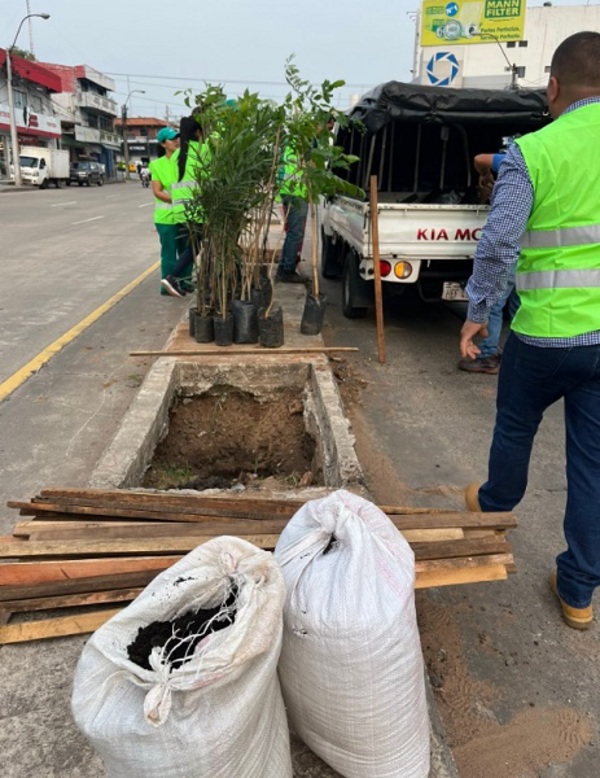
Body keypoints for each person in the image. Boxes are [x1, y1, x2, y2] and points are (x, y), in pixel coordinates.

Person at [460, 31, 600, 630]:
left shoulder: (534, 152)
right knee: (592, 466)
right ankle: (578, 592)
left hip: (542, 336)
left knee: (516, 425)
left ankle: (494, 509)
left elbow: (498, 242)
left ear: (555, 86)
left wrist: (477, 313)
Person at [458, 148, 519, 374]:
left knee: (493, 305)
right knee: (519, 306)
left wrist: (485, 175)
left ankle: (487, 355)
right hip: (533, 250)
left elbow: (479, 158)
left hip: (512, 246)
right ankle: (516, 357)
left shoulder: (517, 159)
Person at [160, 115, 207, 298]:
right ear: (198, 132)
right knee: (195, 246)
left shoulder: (178, 155)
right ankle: (172, 277)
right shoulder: (203, 150)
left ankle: (178, 281)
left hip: (180, 210)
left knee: (191, 246)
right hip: (196, 209)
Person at [148, 127, 182, 296]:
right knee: (169, 253)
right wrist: (178, 200)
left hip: (184, 215)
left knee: (185, 251)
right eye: (172, 139)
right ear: (163, 144)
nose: (177, 140)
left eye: (177, 137)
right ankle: (167, 285)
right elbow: (157, 191)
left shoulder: (185, 160)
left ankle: (184, 282)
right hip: (166, 218)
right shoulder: (157, 165)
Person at [276, 142, 309, 283]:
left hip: (288, 192)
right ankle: (287, 270)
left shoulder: (290, 143)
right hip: (295, 193)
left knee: (292, 233)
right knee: (296, 233)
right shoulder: (302, 145)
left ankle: (283, 267)